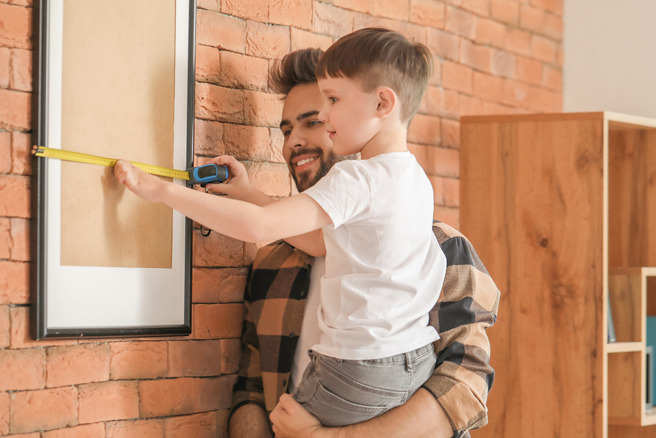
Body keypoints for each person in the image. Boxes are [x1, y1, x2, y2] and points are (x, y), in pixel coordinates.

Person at [112, 27, 455, 429]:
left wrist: (159, 191)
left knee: (288, 423)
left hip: (358, 369)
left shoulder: (357, 179)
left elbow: (259, 228)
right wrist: (248, 192)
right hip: (413, 360)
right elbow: (320, 241)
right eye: (287, 129)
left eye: (330, 102)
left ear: (382, 102)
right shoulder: (413, 179)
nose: (325, 117)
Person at [222, 46, 500, 438]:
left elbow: (463, 387)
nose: (292, 143)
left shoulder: (440, 248)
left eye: (314, 121)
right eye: (286, 131)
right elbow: (253, 389)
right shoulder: (272, 262)